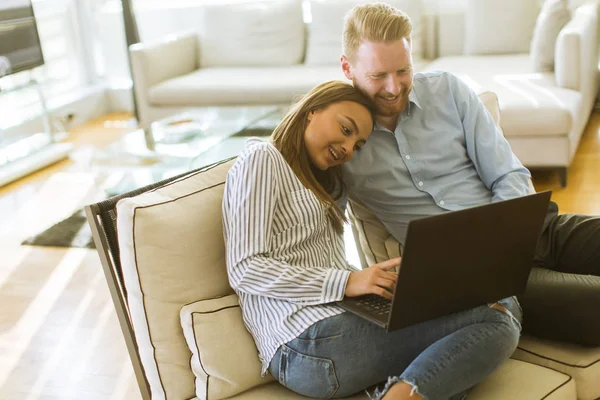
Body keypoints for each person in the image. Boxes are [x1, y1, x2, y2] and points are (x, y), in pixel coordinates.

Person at [223, 80, 523, 400]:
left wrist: (380, 282)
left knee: (502, 303)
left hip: (343, 319)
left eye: (359, 144)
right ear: (312, 110)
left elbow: (326, 262)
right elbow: (244, 267)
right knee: (496, 322)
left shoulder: (329, 184)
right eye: (346, 128)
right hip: (302, 343)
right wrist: (347, 281)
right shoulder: (262, 158)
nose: (349, 148)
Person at [339, 2, 600, 347]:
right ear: (347, 68)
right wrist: (345, 280)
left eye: (403, 71)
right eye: (378, 76)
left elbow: (507, 174)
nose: (393, 87)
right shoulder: (340, 141)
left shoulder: (448, 90)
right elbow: (312, 220)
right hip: (478, 277)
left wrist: (505, 235)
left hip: (535, 230)